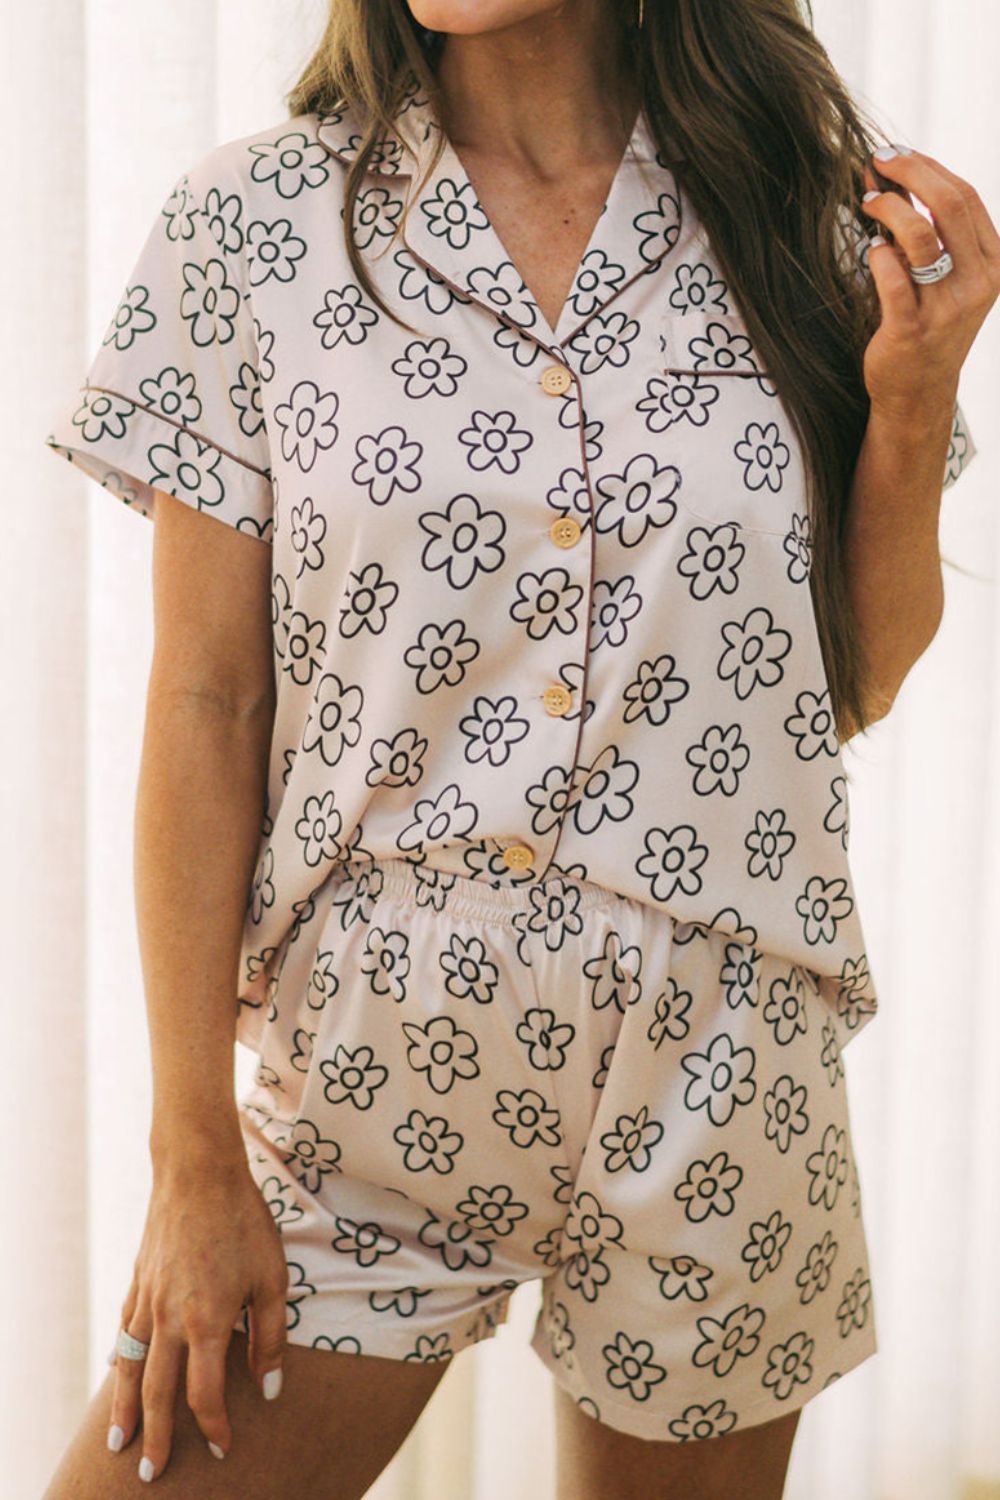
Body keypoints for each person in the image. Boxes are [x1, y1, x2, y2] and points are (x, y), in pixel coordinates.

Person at [39, 0, 996, 1496]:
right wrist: (192, 1157)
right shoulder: (255, 225)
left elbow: (850, 678)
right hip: (371, 1062)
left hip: (728, 1060)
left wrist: (915, 397)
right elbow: (205, 706)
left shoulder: (800, 220)